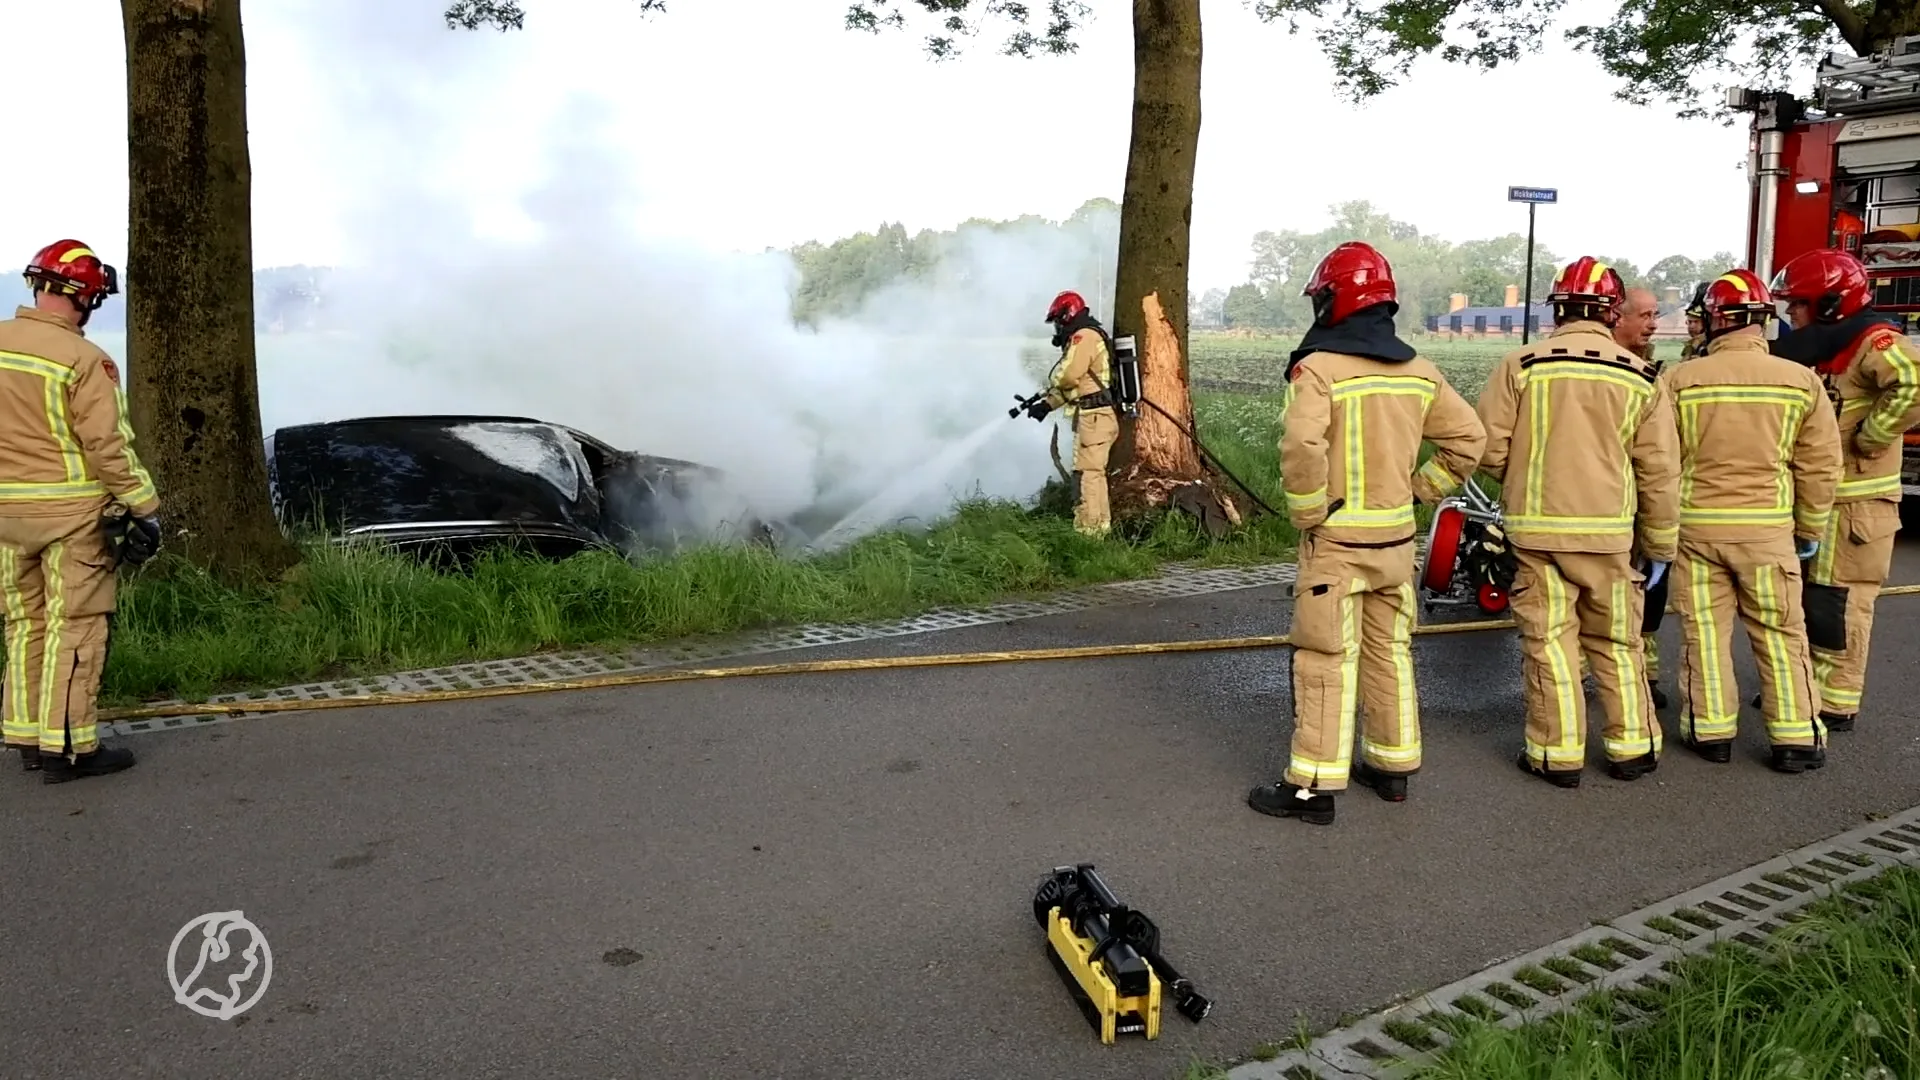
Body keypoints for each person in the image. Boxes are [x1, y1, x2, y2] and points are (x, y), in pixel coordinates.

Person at [1247, 242, 1486, 825]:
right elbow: (1469, 440)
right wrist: (1419, 489)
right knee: (1390, 654)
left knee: (1325, 659)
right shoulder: (1421, 372)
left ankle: (1312, 789)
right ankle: (1391, 767)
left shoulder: (1319, 369)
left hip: (1336, 547)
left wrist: (1309, 512)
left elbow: (1302, 445)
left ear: (1338, 300)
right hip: (1396, 545)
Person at [1475, 257, 1680, 788]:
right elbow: (1659, 471)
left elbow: (1489, 448)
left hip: (1537, 534)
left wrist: (1522, 478)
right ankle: (1634, 748)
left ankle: (1556, 755)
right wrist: (1660, 545)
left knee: (1550, 643)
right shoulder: (1643, 377)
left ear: (1557, 310)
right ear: (1612, 312)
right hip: (1610, 537)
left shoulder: (1520, 365)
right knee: (1618, 643)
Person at [1662, 270, 1840, 774]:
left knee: (1704, 633)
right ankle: (1796, 738)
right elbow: (1820, 466)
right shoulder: (1801, 381)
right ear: (1764, 320)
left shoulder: (1679, 380)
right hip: (1769, 534)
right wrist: (1809, 529)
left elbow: (1659, 461)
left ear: (1715, 321)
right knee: (1781, 633)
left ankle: (1710, 731)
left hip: (1697, 533)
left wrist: (1657, 529)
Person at [0, 240, 161, 784]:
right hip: (70, 518)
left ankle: (26, 737)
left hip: (5, 518)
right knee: (75, 626)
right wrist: (144, 507)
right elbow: (107, 447)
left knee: (25, 624)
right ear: (86, 297)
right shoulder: (84, 359)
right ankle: (69, 749)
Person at [1768, 247, 1920, 735]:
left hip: (1858, 503)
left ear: (1831, 304)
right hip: (1826, 499)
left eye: (1798, 304)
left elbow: (1915, 383)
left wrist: (1869, 438)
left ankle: (1835, 700)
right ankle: (1807, 687)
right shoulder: (1832, 347)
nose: (1791, 315)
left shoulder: (1875, 342)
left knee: (1842, 603)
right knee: (1813, 599)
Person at [1610, 285, 1670, 708]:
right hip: (1613, 508)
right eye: (1645, 316)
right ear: (1617, 316)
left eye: (1656, 315)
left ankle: (1644, 674)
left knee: (1647, 596)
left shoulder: (1649, 369)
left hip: (1636, 502)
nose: (1653, 325)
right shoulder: (1625, 374)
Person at [1022, 290, 1119, 537]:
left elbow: (1068, 376)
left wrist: (1051, 385)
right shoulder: (1090, 335)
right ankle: (1100, 529)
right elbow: (1078, 387)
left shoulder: (1083, 337)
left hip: (1094, 417)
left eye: (1058, 321)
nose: (1057, 328)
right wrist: (1046, 405)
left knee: (1086, 475)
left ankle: (1088, 532)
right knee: (1095, 475)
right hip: (1097, 415)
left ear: (1067, 314)